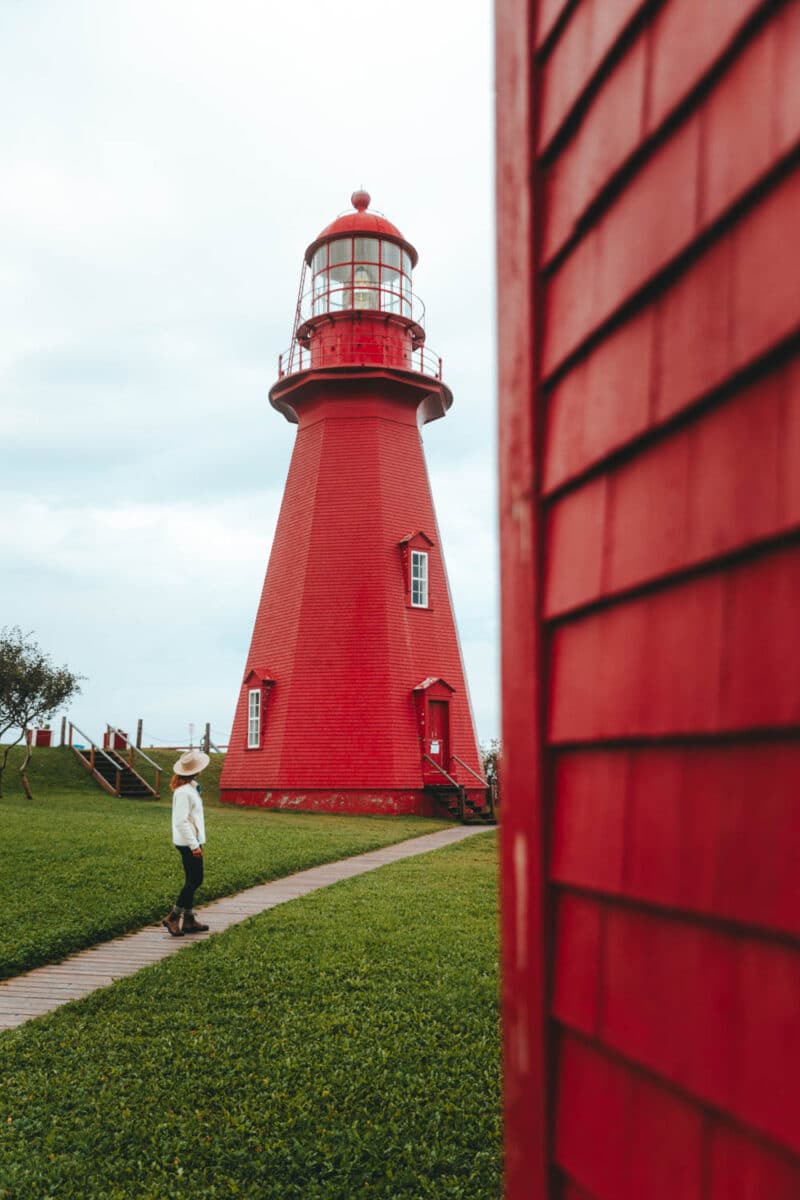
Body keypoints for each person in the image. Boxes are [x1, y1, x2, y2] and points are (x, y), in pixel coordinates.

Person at [162, 749, 211, 936]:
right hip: (188, 841)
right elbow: (181, 821)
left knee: (192, 878)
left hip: (192, 839)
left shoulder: (190, 788)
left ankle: (189, 920)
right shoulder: (183, 792)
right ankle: (173, 917)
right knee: (195, 879)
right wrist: (194, 845)